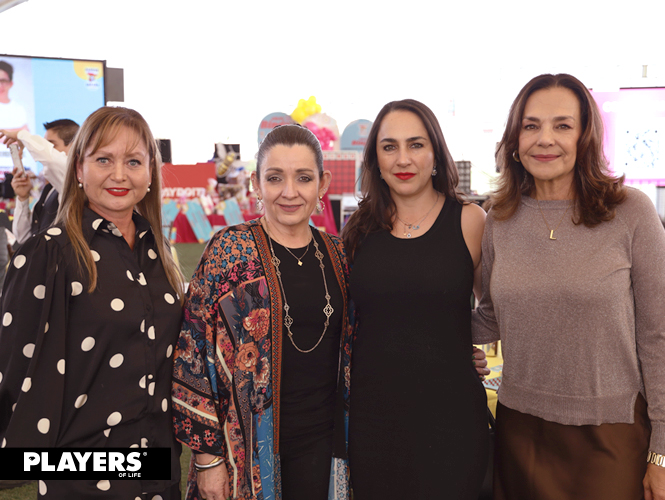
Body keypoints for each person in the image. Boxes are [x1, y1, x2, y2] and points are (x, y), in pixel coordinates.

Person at [472, 73, 665, 500]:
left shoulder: (631, 213)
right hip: (521, 430)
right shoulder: (500, 219)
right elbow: (489, 318)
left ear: (586, 136)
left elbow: (658, 339)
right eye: (531, 125)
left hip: (610, 434)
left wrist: (662, 453)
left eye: (562, 125)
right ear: (515, 140)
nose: (545, 139)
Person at [0, 106, 184, 499]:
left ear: (150, 172)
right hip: (83, 481)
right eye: (103, 159)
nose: (119, 174)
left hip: (160, 475)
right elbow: (12, 370)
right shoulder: (48, 254)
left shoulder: (160, 254)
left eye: (133, 161)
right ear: (78, 170)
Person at [171, 124, 352, 500]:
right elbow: (192, 357)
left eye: (303, 178)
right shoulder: (229, 250)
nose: (289, 192)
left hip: (327, 447)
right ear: (255, 183)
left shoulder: (340, 256)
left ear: (323, 183)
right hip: (245, 452)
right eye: (275, 178)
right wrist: (207, 460)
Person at [342, 99, 489, 499]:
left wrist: (461, 342)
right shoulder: (359, 228)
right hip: (376, 426)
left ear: (436, 154)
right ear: (375, 159)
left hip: (452, 423)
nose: (402, 158)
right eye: (389, 147)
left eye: (416, 144)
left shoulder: (470, 221)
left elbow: (496, 307)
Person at [1, 119, 79, 246]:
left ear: (75, 145)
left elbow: (52, 160)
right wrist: (23, 198)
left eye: (51, 146)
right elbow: (23, 237)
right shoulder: (49, 190)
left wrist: (22, 134)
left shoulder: (76, 180)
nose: (42, 152)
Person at [0, 61, 28, 133]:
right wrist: (18, 131)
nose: (0, 85)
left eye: (3, 81)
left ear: (11, 83)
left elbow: (26, 135)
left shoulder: (19, 109)